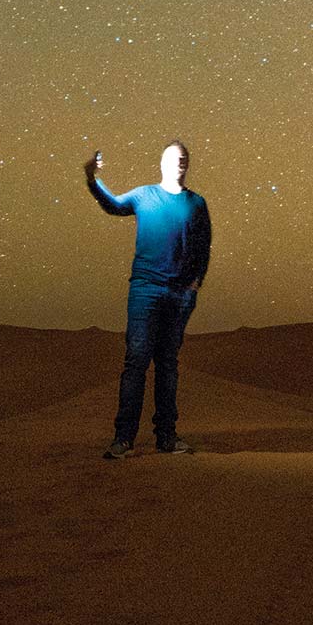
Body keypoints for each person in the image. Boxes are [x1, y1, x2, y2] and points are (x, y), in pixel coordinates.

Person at [84, 140, 211, 459]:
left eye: (185, 158)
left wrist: (194, 287)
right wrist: (92, 180)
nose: (181, 162)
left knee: (168, 365)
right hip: (145, 290)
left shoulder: (196, 203)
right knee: (136, 362)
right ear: (163, 163)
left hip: (179, 295)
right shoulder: (143, 195)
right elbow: (113, 204)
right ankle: (123, 438)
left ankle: (167, 436)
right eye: (175, 157)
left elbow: (202, 248)